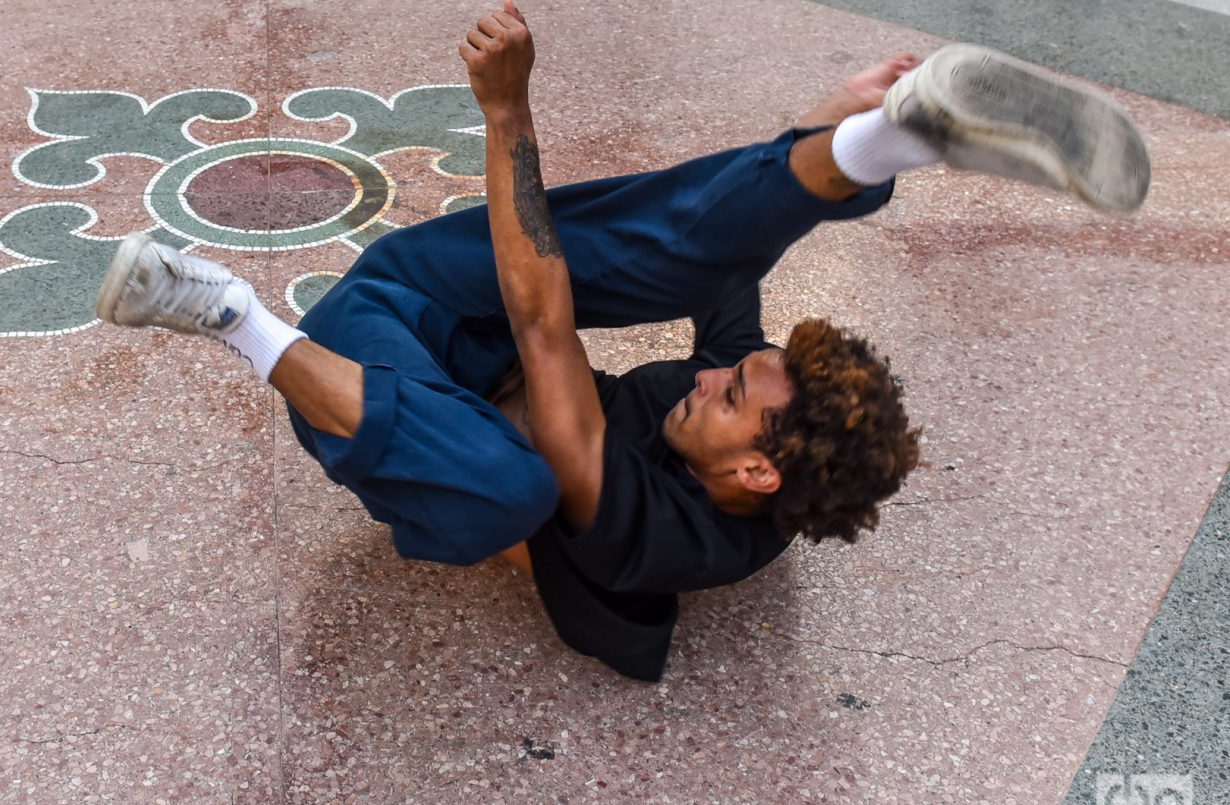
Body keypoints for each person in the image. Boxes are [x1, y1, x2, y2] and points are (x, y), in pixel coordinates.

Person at [94, 3, 1150, 681]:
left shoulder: (650, 533)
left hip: (375, 379)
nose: (706, 376)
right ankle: (889, 139)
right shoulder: (758, 459)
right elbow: (719, 265)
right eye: (734, 373)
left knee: (510, 484)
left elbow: (546, 314)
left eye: (728, 396)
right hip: (438, 301)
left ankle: (227, 309)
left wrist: (505, 114)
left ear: (750, 469)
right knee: (698, 267)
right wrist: (820, 132)